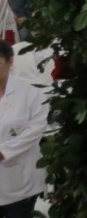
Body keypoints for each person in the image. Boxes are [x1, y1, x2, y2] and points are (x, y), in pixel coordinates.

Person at [0, 40, 49, 216]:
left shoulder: (30, 91)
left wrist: (4, 152)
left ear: (10, 62)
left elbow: (36, 127)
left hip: (21, 181)